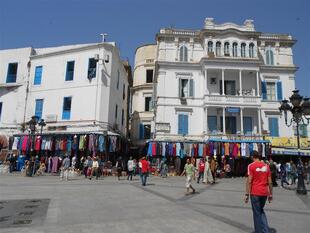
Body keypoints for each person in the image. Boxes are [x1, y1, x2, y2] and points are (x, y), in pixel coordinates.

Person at [245, 150, 272, 233]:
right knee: (261, 211)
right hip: (264, 193)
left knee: (256, 214)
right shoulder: (266, 166)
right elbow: (270, 182)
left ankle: (258, 231)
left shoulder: (251, 166)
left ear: (252, 157)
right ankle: (266, 230)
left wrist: (247, 194)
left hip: (255, 193)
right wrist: (270, 194)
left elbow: (249, 181)